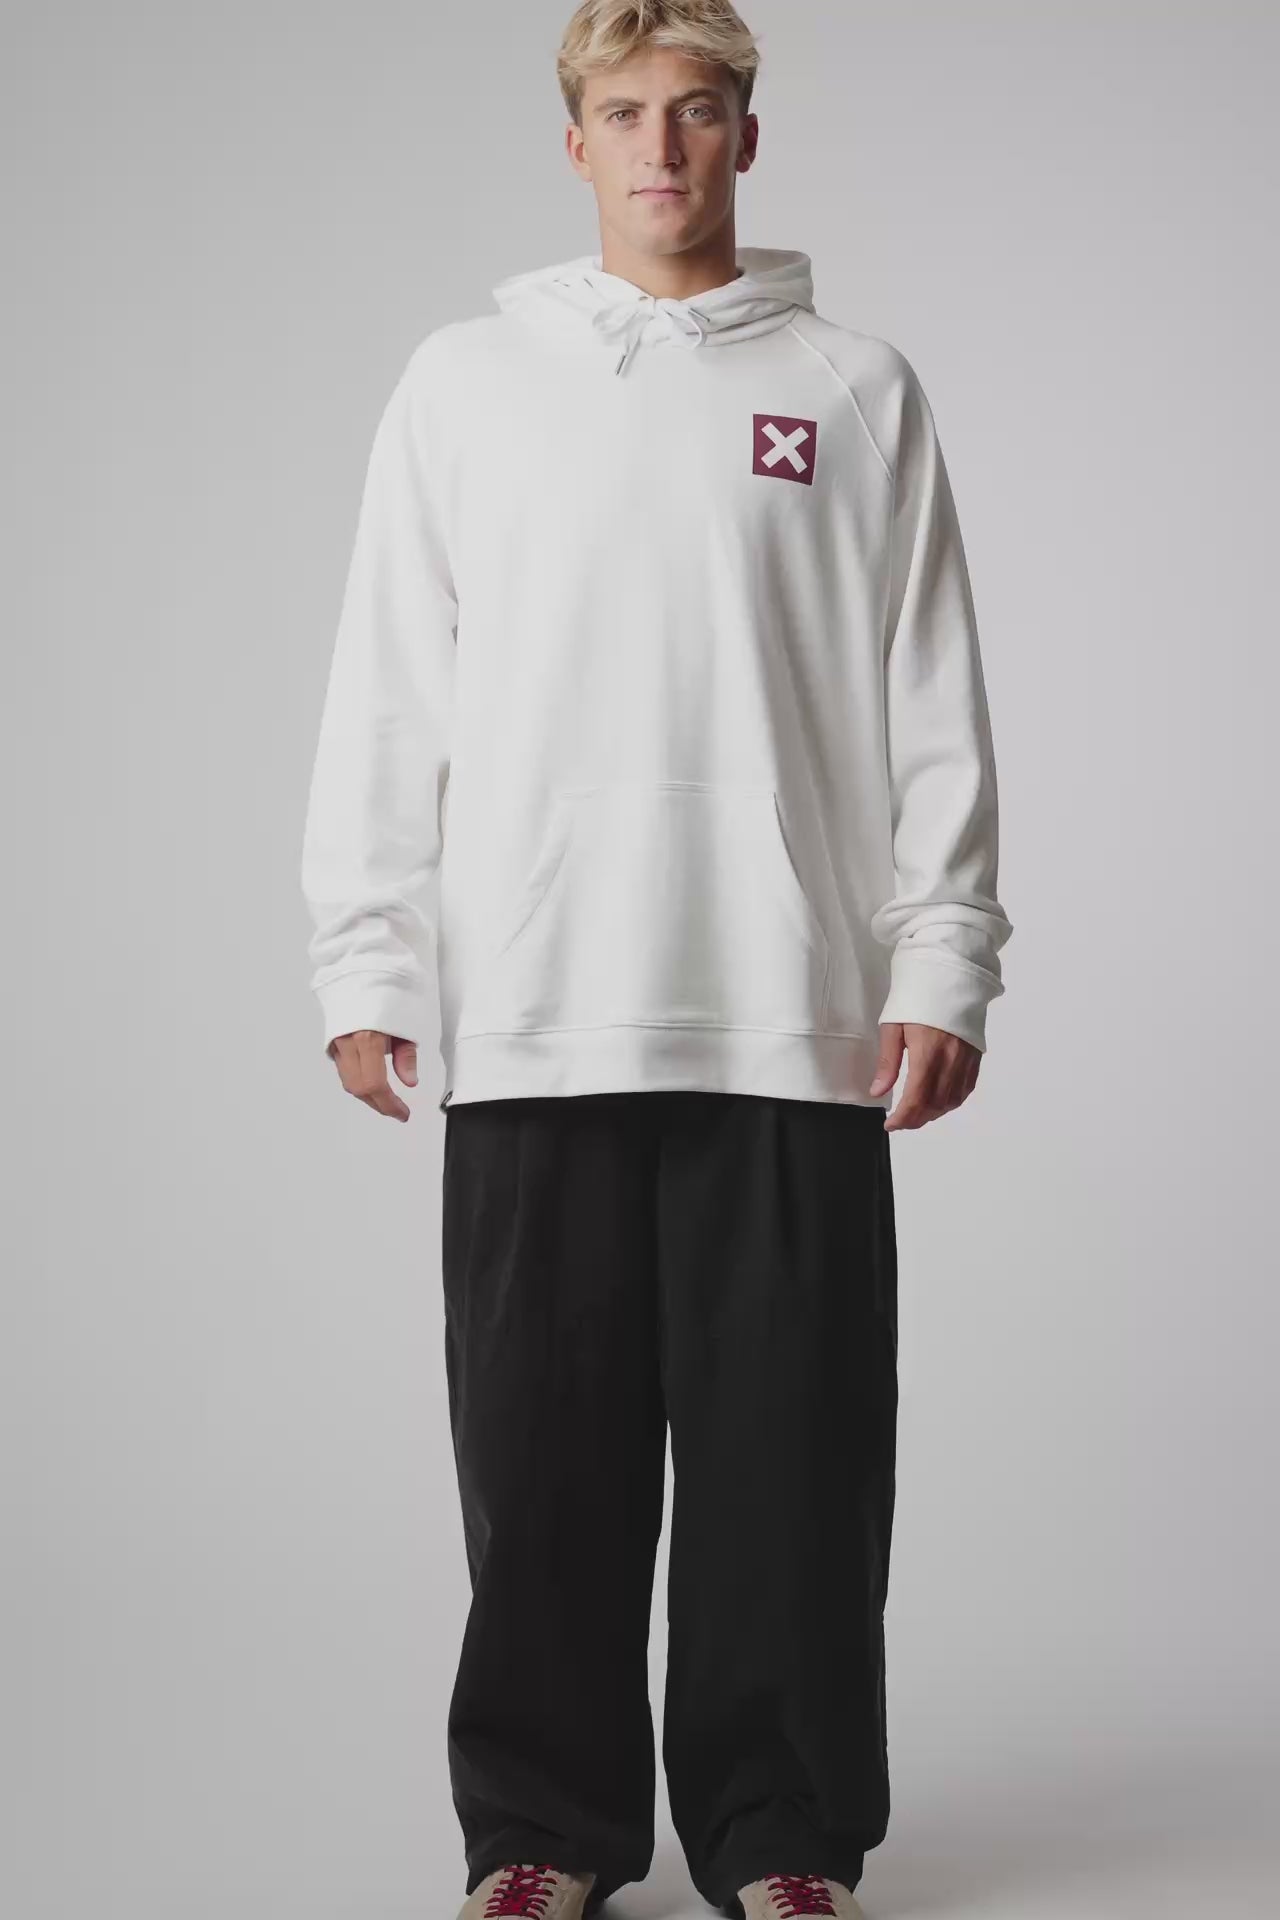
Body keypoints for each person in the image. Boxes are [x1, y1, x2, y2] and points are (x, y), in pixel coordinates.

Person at [300, 4, 1013, 1918]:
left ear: (747, 136)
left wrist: (943, 957)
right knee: (541, 1456)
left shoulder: (857, 389)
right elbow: (389, 686)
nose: (663, 150)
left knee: (795, 1455)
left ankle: (781, 1835)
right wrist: (369, 955)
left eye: (698, 112)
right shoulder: (467, 384)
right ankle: (542, 1829)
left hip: (792, 1009)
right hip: (537, 1005)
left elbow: (931, 695)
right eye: (625, 115)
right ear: (576, 143)